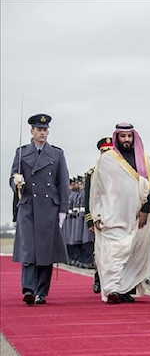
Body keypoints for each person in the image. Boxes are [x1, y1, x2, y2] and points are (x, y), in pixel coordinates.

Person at [90, 122, 150, 304]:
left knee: (134, 251)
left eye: (129, 136)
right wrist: (96, 214)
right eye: (123, 136)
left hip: (138, 215)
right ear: (117, 137)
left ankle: (125, 289)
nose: (127, 140)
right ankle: (113, 289)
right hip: (113, 215)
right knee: (114, 251)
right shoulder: (106, 160)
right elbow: (98, 189)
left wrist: (146, 209)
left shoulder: (144, 159)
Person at [11, 113, 69, 305]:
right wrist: (16, 181)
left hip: (48, 208)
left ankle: (41, 292)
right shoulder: (21, 153)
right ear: (32, 131)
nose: (43, 133)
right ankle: (28, 288)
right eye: (39, 130)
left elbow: (63, 184)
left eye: (45, 130)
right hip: (28, 206)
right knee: (28, 249)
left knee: (46, 251)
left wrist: (63, 210)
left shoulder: (57, 154)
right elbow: (13, 177)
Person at [85, 136, 114, 294]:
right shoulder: (92, 172)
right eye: (105, 151)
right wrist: (90, 220)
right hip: (100, 216)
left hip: (116, 216)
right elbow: (87, 197)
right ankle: (98, 279)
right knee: (100, 251)